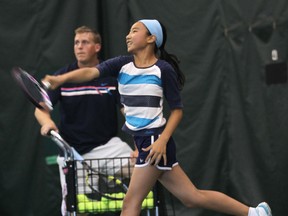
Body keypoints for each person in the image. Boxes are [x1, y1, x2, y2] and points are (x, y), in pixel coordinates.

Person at [42, 20, 272, 216]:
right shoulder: (122, 64)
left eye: (135, 30)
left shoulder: (163, 70)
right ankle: (254, 213)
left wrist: (162, 140)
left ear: (151, 38)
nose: (128, 35)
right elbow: (91, 72)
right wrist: (61, 80)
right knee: (192, 197)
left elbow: (177, 111)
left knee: (130, 204)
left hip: (154, 143)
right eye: (129, 31)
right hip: (148, 143)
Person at [34, 26, 136, 216]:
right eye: (76, 43)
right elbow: (41, 109)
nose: (79, 47)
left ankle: (117, 186)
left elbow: (128, 113)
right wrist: (46, 122)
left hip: (107, 147)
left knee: (143, 172)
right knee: (76, 210)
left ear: (97, 47)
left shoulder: (111, 76)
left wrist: (140, 144)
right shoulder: (61, 78)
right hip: (72, 154)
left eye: (85, 42)